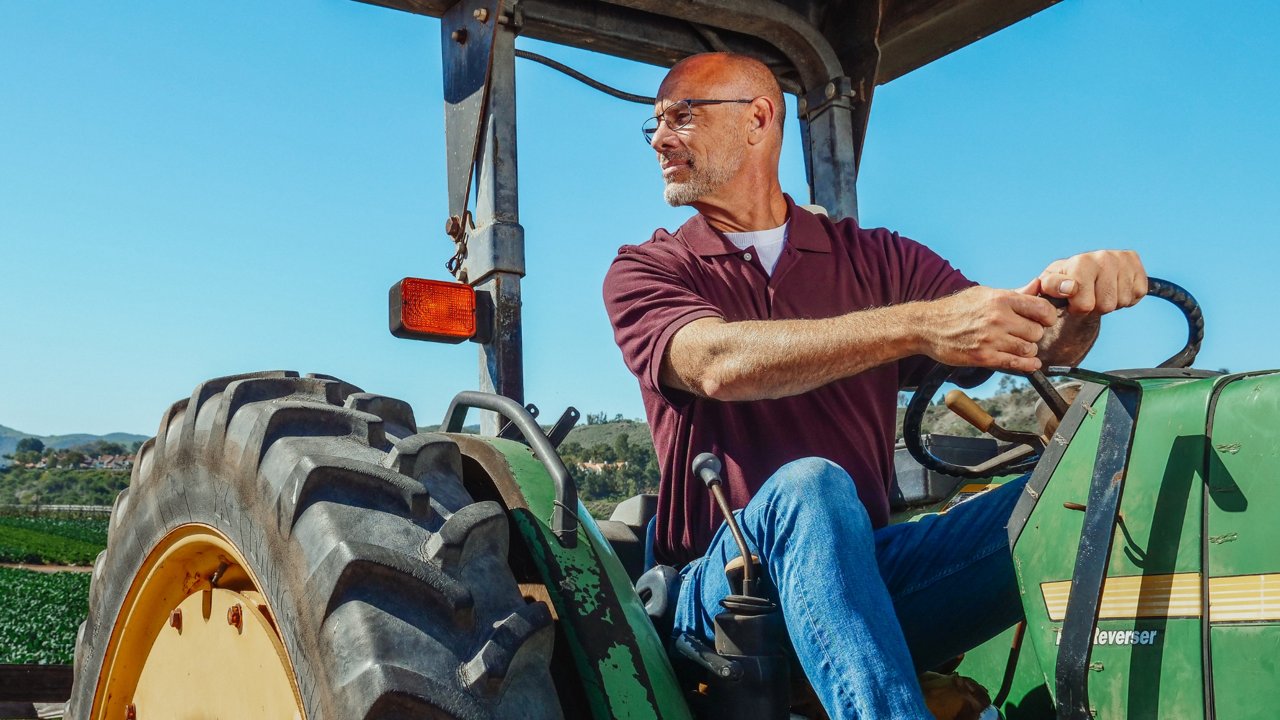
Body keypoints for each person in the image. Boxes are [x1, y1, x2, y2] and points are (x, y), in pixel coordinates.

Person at [603, 52, 1147, 719]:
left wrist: (1079, 301)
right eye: (656, 123)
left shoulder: (878, 259)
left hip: (870, 576)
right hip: (722, 598)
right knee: (812, 487)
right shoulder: (649, 269)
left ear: (758, 119)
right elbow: (717, 363)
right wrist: (918, 326)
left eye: (682, 116)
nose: (660, 139)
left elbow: (1030, 342)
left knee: (1085, 492)